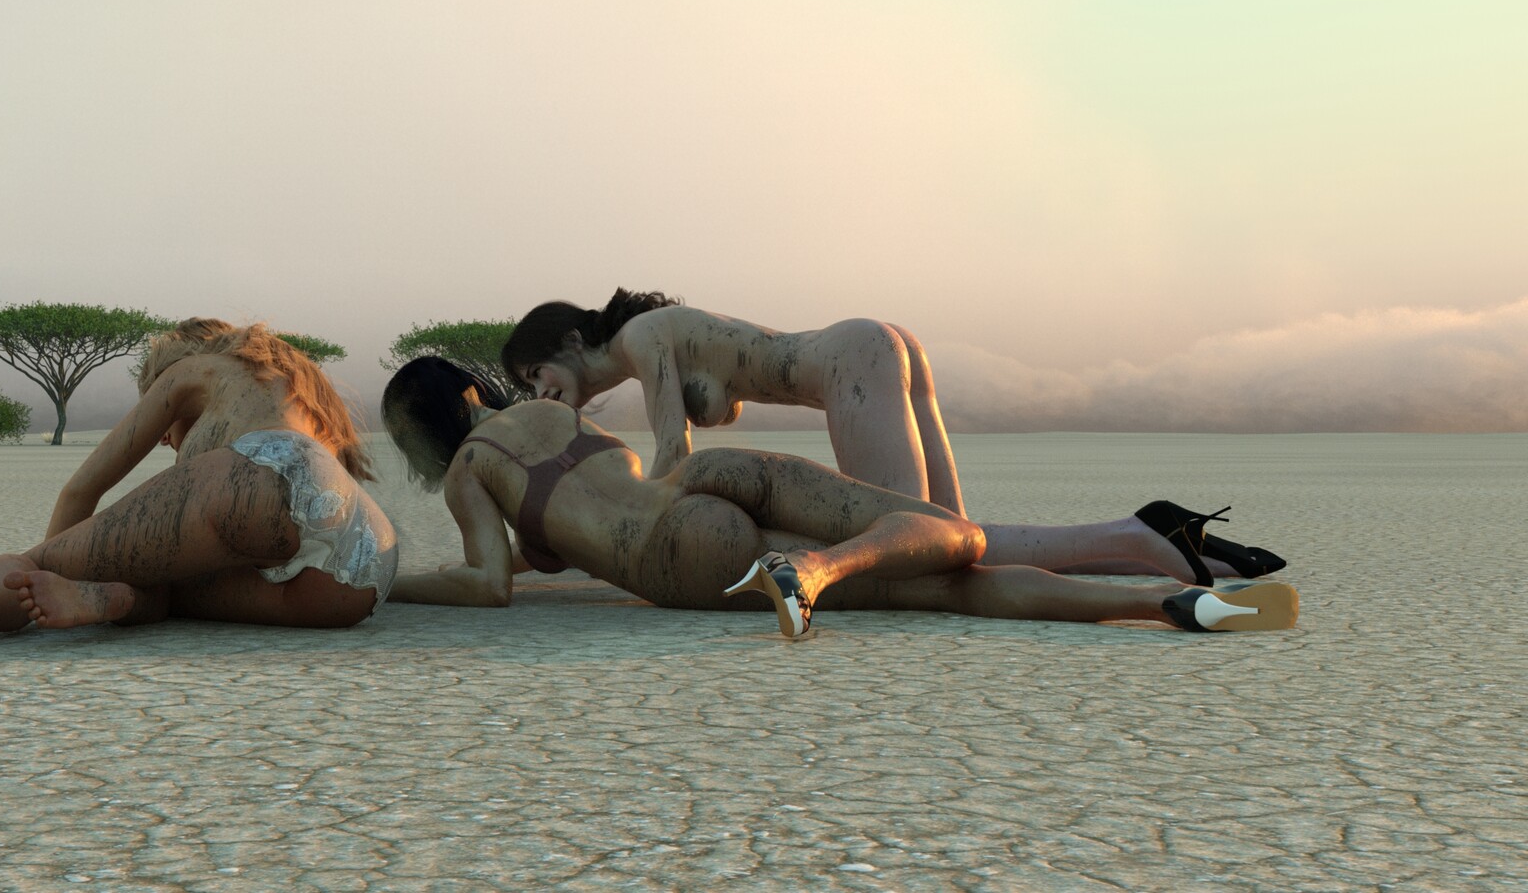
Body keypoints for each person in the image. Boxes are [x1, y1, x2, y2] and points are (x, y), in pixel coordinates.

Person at [380, 357, 1297, 637]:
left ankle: (813, 572)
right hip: (704, 479)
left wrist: (394, 582)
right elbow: (610, 483)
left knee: (951, 585)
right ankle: (1170, 599)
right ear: (470, 390)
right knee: (955, 541)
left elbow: (488, 584)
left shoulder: (469, 475)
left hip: (677, 552)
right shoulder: (546, 411)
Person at [499, 289, 1285, 586]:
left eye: (536, 376)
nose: (539, 396)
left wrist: (600, 530)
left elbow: (675, 458)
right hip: (875, 348)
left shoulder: (639, 340)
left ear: (569, 341)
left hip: (853, 364)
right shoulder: (654, 337)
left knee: (916, 544)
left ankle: (1139, 533)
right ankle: (1178, 552)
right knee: (963, 544)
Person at [0, 320, 397, 657]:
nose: (165, 440)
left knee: (35, 563)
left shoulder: (193, 369)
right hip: (357, 575)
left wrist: (48, 569)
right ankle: (108, 600)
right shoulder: (303, 399)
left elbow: (81, 490)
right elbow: (313, 499)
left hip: (265, 474)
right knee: (167, 590)